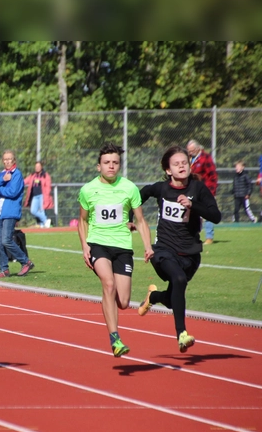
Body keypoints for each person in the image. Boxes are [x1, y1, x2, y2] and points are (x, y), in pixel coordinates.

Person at [136, 146, 221, 352]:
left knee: (174, 300)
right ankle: (181, 334)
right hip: (163, 250)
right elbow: (141, 194)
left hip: (190, 255)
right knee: (179, 279)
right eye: (176, 164)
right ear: (168, 170)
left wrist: (193, 206)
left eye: (185, 162)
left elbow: (215, 216)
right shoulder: (162, 189)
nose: (182, 166)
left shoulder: (198, 189)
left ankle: (154, 297)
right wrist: (131, 219)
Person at [77, 142, 153, 357]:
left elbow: (140, 219)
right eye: (106, 162)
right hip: (98, 244)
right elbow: (82, 221)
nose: (111, 166)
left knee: (123, 302)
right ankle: (115, 339)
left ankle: (148, 297)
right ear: (98, 166)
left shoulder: (129, 188)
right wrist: (85, 246)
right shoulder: (88, 190)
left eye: (115, 163)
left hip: (122, 247)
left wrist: (148, 246)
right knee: (108, 284)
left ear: (120, 165)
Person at [0, 150, 35, 278]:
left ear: (14, 160)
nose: (7, 161)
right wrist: (2, 180)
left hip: (10, 212)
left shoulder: (17, 174)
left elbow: (13, 192)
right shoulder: (3, 174)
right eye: (5, 159)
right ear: (2, 161)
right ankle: (4, 269)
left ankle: (26, 261)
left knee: (6, 240)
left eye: (9, 159)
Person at [186, 139, 218, 245]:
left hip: (205, 190)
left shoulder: (206, 158)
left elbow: (213, 175)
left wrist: (212, 191)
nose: (190, 153)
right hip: (192, 190)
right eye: (189, 151)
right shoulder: (189, 159)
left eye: (192, 150)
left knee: (207, 212)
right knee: (193, 212)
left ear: (198, 148)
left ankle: (209, 237)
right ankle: (194, 235)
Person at [23, 161, 53, 228]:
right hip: (35, 196)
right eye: (36, 166)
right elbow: (25, 181)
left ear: (41, 167)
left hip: (42, 195)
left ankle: (43, 224)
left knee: (41, 210)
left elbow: (48, 186)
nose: (37, 168)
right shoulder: (33, 175)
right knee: (33, 211)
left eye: (38, 166)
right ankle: (46, 221)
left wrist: (47, 195)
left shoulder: (45, 175)